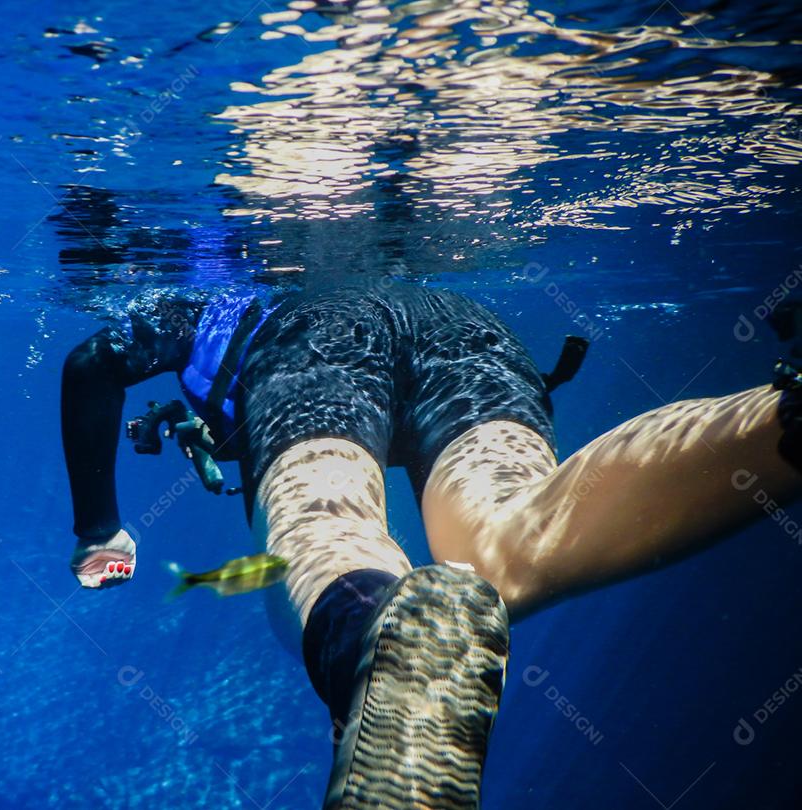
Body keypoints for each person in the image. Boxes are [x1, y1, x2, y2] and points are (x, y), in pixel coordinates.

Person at [60, 280, 802, 809]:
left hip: (314, 336)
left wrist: (99, 528)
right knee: (511, 537)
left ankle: (370, 632)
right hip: (463, 325)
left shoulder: (213, 302)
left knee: (326, 532)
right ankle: (784, 417)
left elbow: (94, 359)